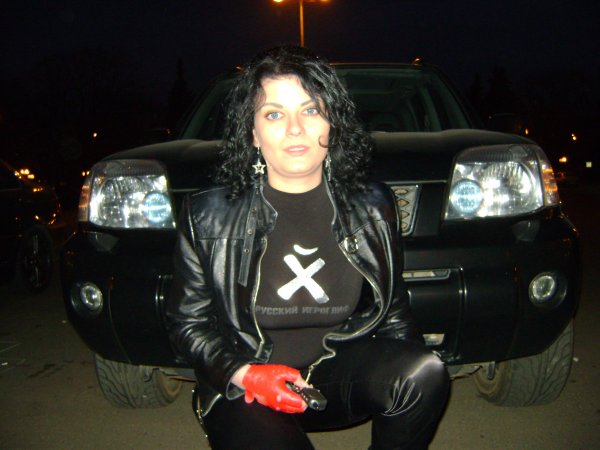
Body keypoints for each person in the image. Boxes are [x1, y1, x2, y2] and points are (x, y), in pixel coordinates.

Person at [165, 45, 449, 450]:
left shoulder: (372, 205)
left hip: (333, 376)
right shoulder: (207, 215)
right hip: (246, 385)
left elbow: (392, 311)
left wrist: (406, 375)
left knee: (425, 371)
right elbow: (187, 323)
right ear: (253, 133)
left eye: (311, 110)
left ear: (332, 124)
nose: (295, 128)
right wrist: (243, 373)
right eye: (274, 114)